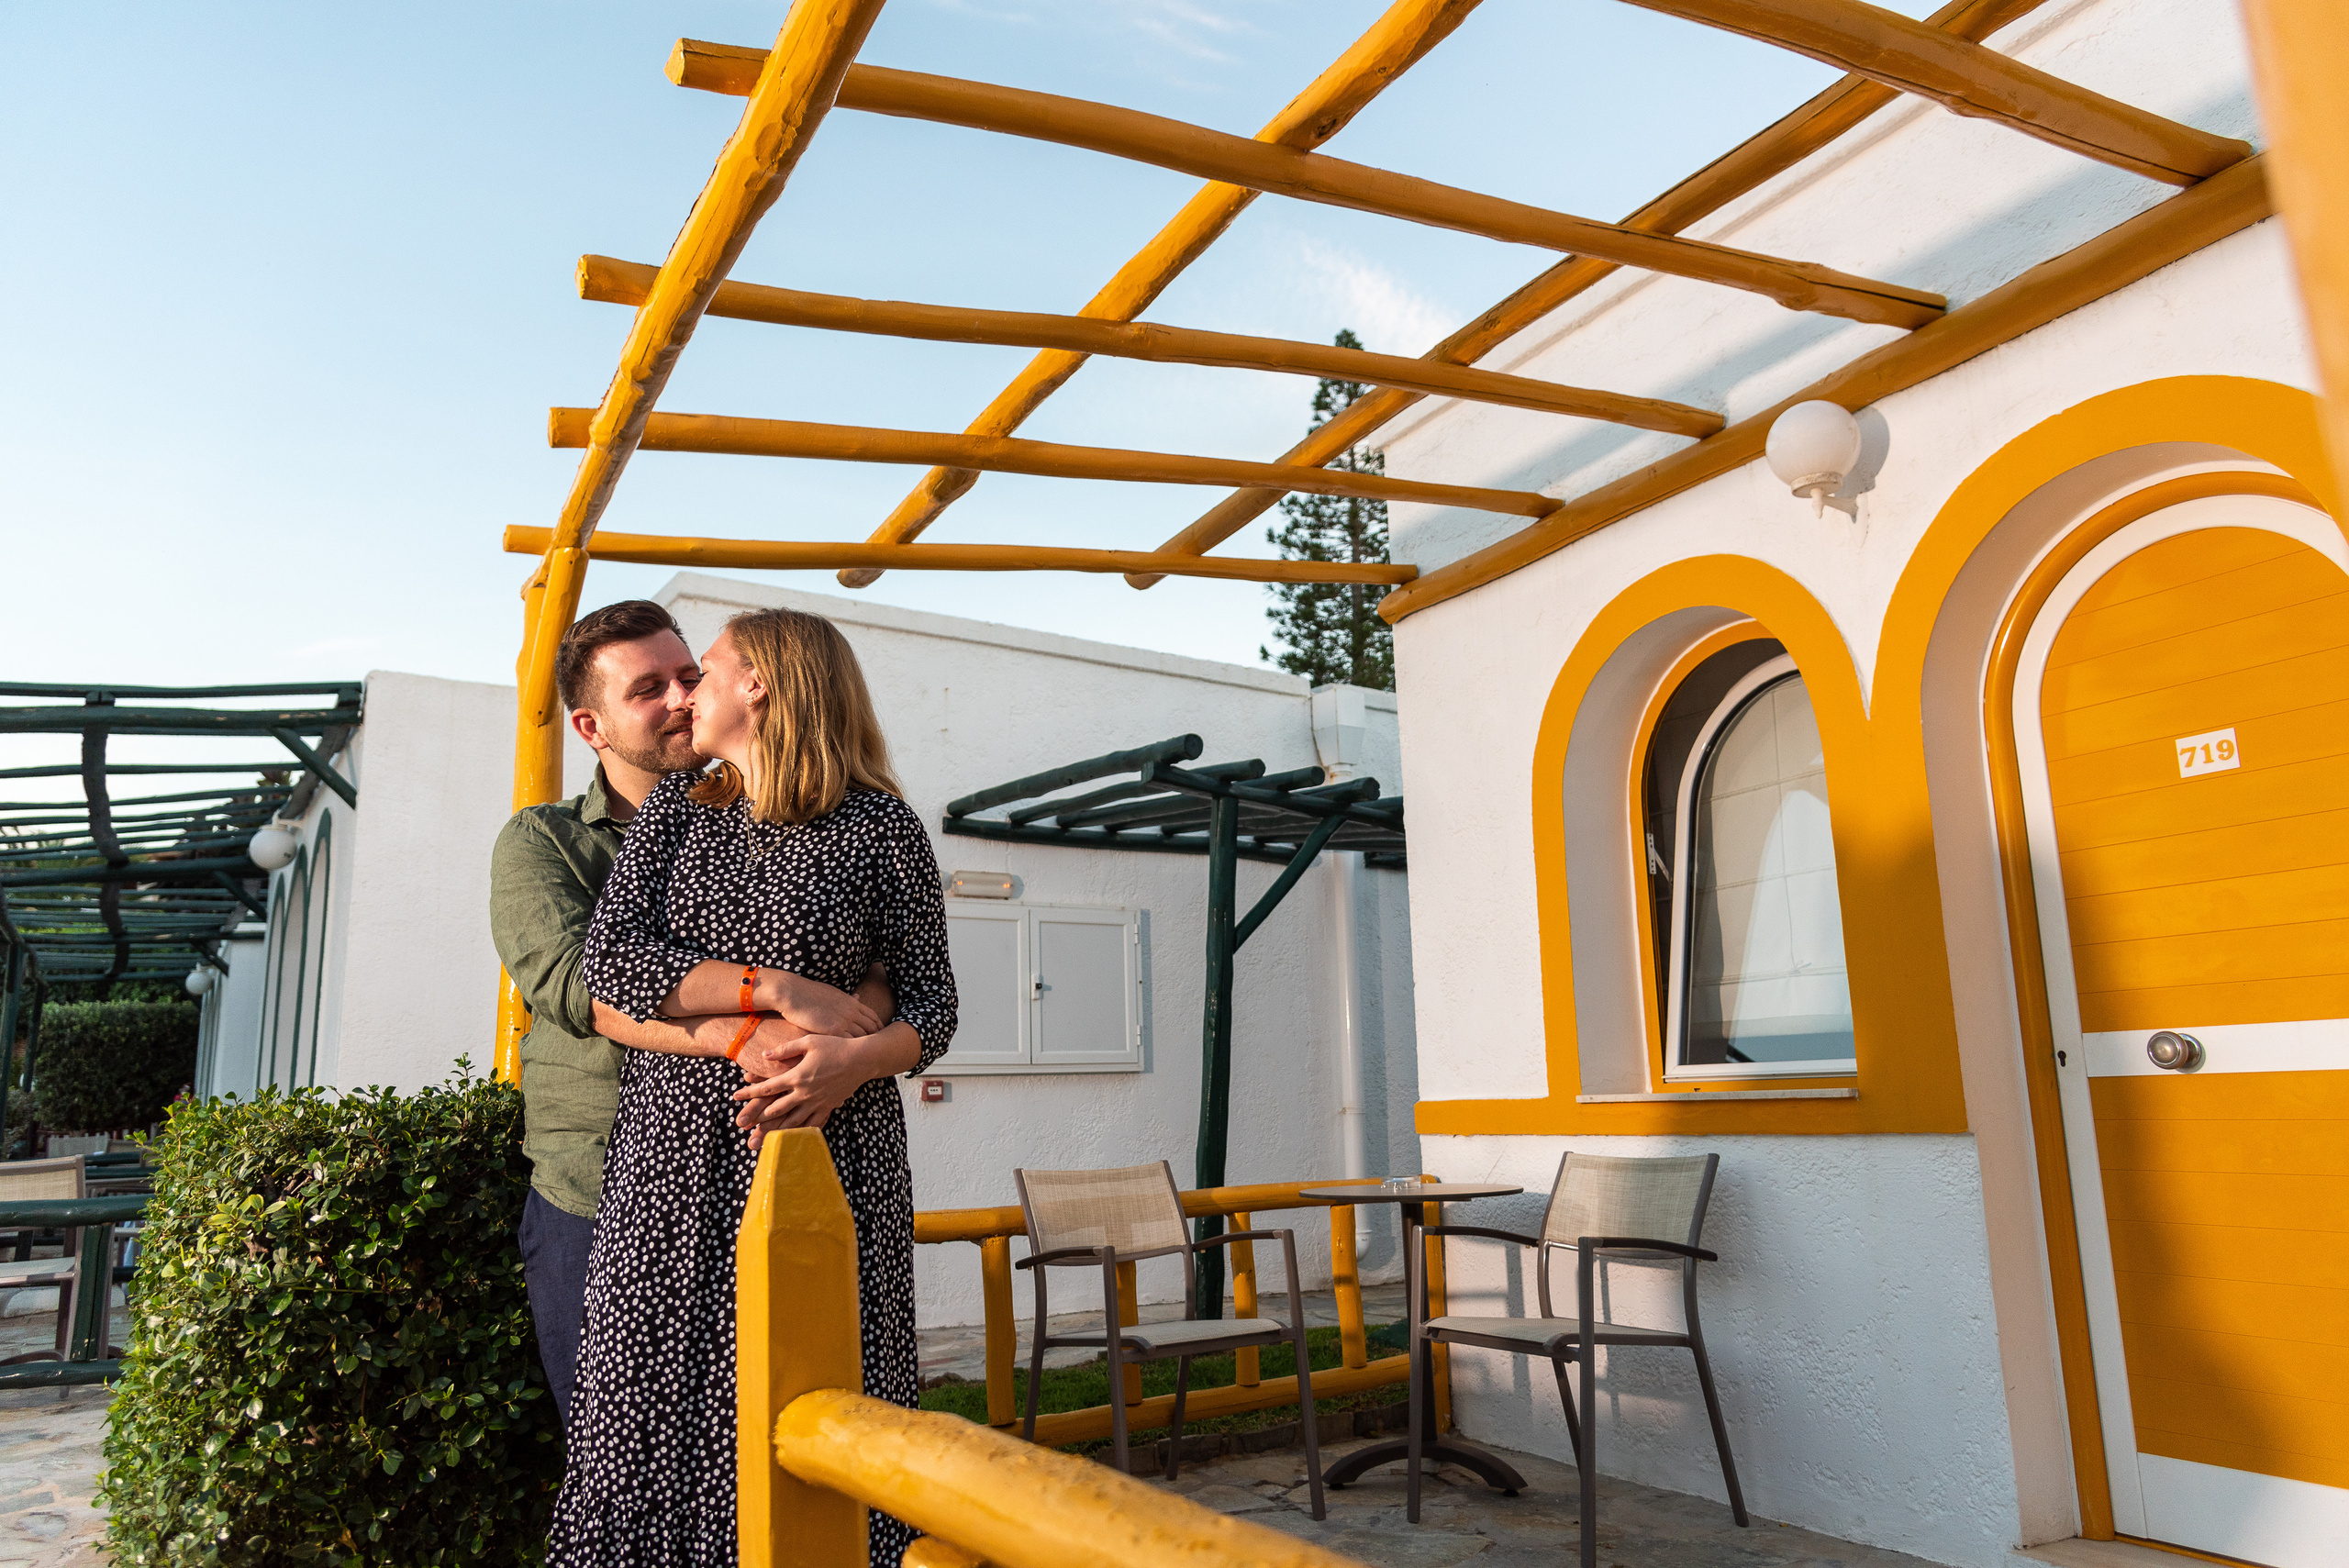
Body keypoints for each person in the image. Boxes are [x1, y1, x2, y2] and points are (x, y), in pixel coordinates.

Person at [550, 606, 955, 1568]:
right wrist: (775, 991)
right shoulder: (678, 809)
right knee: (650, 1395)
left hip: (833, 1147)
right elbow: (611, 962)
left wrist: (852, 1058)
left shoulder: (879, 824)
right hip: (672, 1155)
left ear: (760, 683)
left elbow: (931, 1003)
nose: (687, 692)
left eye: (706, 670)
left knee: (825, 1383)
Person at [489, 599, 892, 1420]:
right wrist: (755, 1026)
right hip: (602, 1189)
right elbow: (587, 989)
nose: (681, 696)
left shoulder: (787, 812)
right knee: (630, 1437)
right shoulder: (544, 841)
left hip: (760, 1162)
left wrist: (849, 1045)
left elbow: (882, 967)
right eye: (650, 688)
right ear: (591, 726)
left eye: (689, 674)